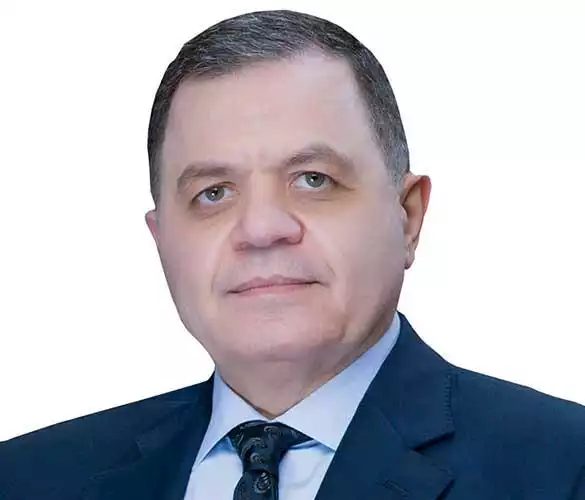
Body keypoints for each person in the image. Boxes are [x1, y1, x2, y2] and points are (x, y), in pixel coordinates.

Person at [1, 9, 584, 500]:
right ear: (162, 240)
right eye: (213, 193)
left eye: (313, 180)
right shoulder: (26, 479)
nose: (261, 229)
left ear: (407, 216)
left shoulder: (563, 468)